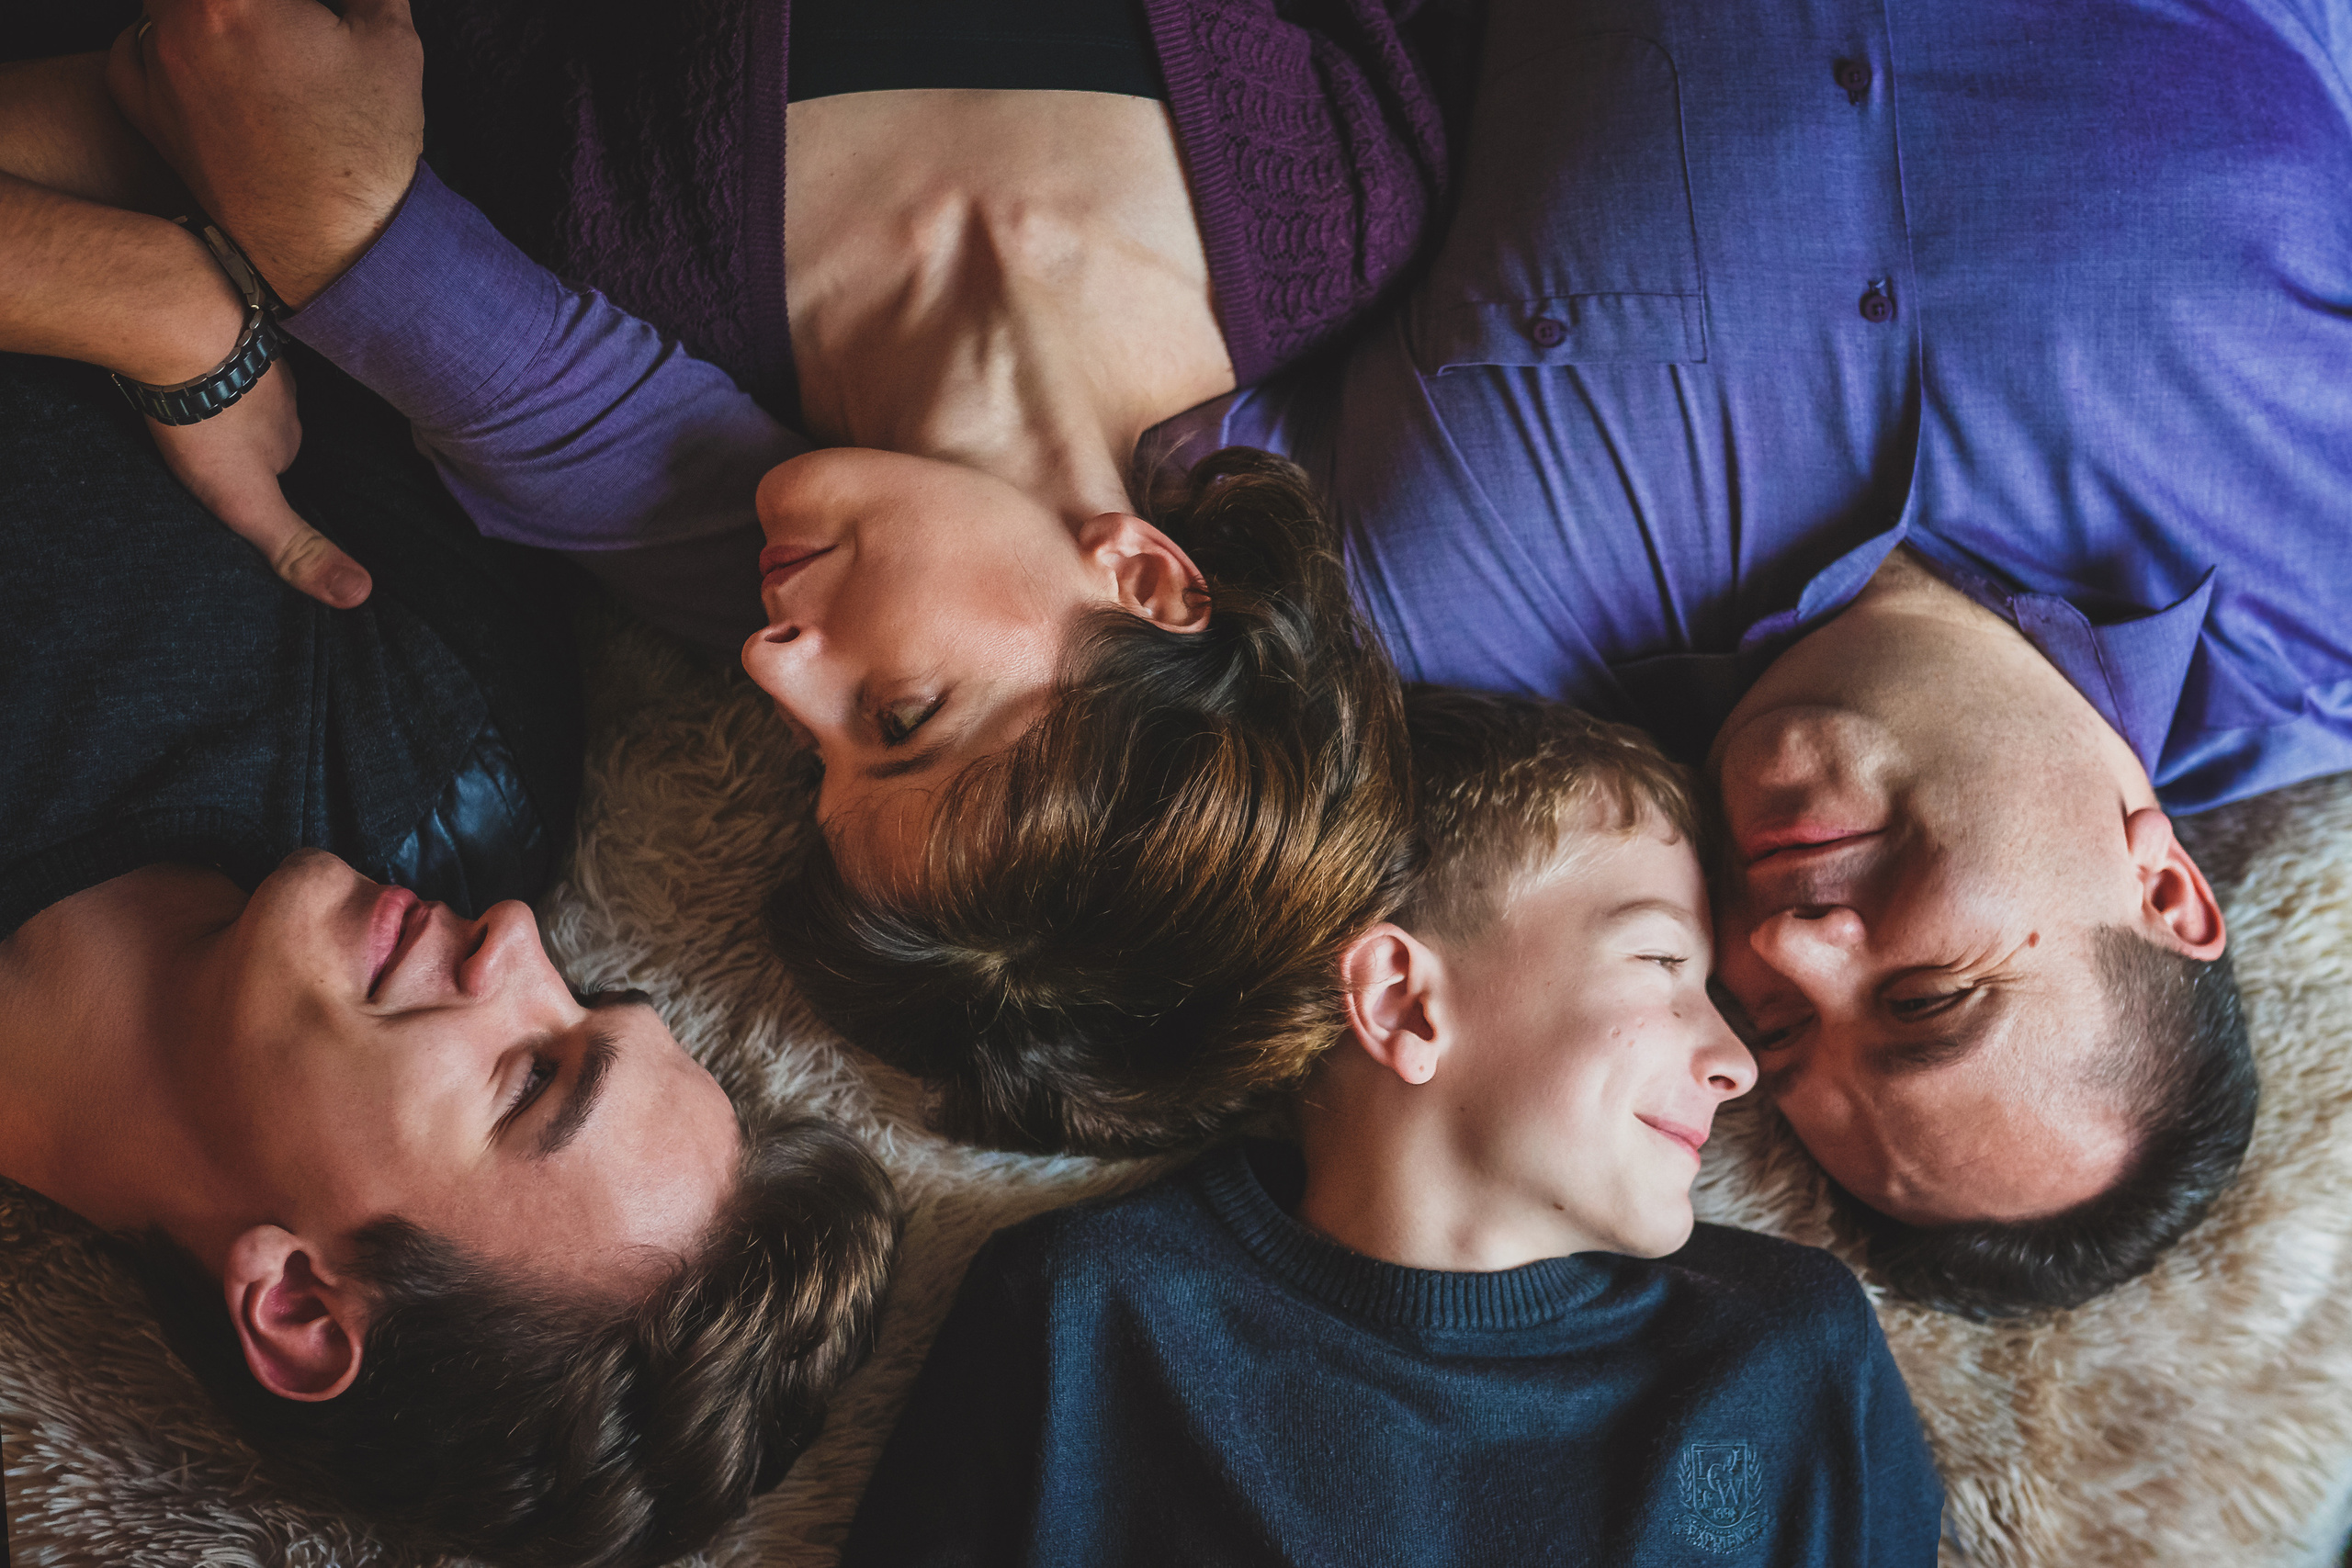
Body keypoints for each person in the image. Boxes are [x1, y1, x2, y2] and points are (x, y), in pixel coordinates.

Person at [113, 0, 2351, 1307]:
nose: (1790, 936)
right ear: (2165, 881)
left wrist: (356, 248)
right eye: (1925, 988)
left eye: (1769, 1017)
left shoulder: (1434, 658)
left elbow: (892, 572)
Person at [0, 54, 899, 1567]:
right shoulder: (455, 751)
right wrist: (180, 298)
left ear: (300, 1302)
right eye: (588, 996)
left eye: (529, 1078)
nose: (519, 940)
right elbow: (210, 112)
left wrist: (145, 306)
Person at [837, 686, 1944, 1566]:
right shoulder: (1083, 1316)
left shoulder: (1786, 1352)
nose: (1734, 1062)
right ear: (1403, 1003)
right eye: (1661, 963)